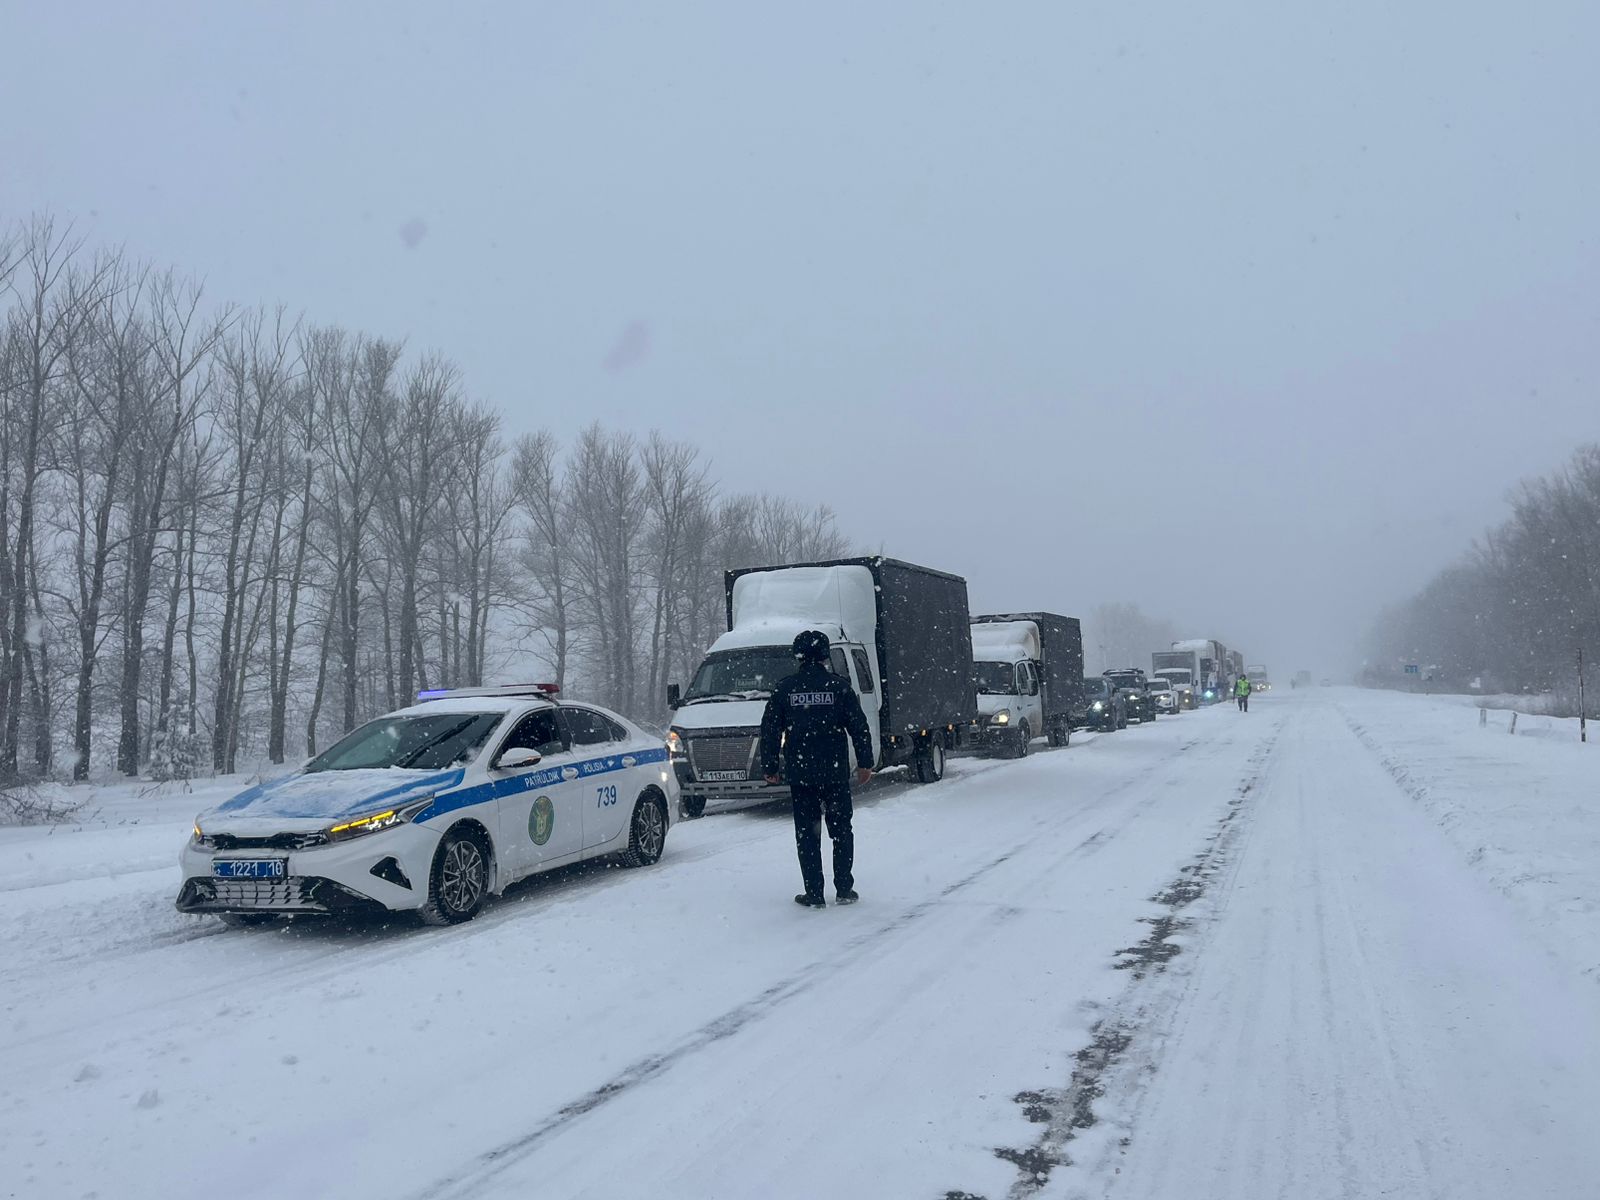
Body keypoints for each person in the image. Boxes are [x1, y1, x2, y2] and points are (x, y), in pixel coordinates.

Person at [759, 630, 874, 908]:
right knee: (841, 829)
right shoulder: (839, 687)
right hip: (834, 772)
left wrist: (770, 765)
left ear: (798, 656)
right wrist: (865, 762)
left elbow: (770, 730)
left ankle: (814, 894)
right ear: (825, 656)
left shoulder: (785, 689)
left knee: (807, 834)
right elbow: (859, 727)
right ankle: (844, 889)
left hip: (802, 775)